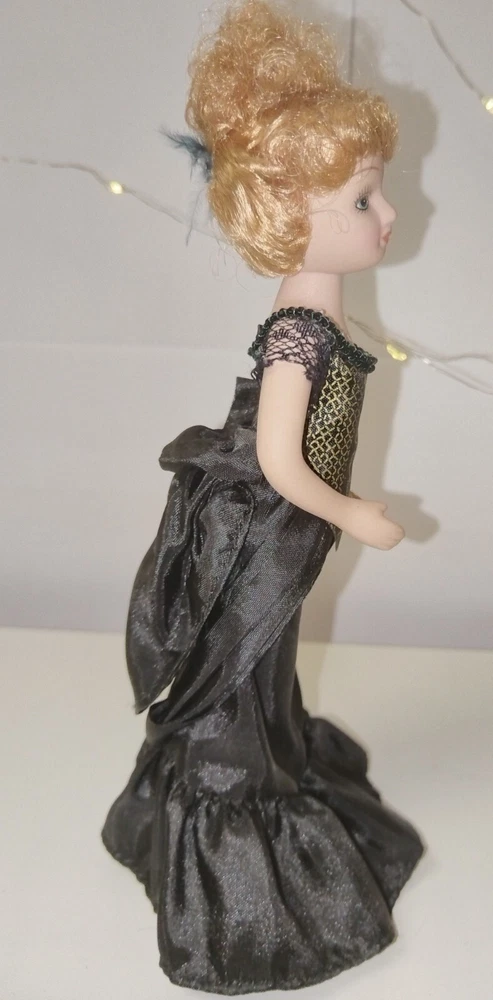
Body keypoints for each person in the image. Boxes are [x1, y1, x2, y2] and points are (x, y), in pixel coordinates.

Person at [101, 1, 425, 992]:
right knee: (238, 677)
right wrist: (355, 511)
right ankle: (232, 854)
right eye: (363, 199)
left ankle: (269, 758)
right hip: (260, 535)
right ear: (294, 217)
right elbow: (283, 459)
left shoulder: (318, 311)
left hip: (283, 529)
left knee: (264, 671)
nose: (388, 214)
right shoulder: (298, 332)